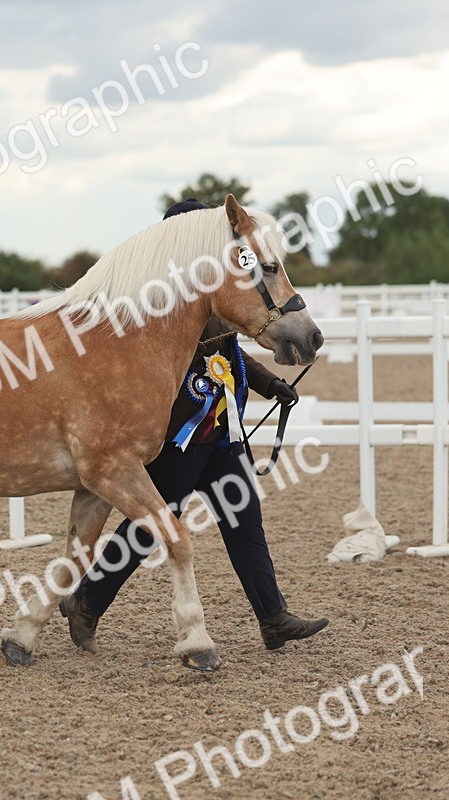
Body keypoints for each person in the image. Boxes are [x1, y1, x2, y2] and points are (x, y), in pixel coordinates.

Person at [59, 198, 328, 658]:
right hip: (180, 436)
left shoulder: (212, 301)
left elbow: (231, 355)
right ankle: (86, 602)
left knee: (245, 522)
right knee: (150, 528)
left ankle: (273, 618)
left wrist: (272, 387)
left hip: (222, 435)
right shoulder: (161, 303)